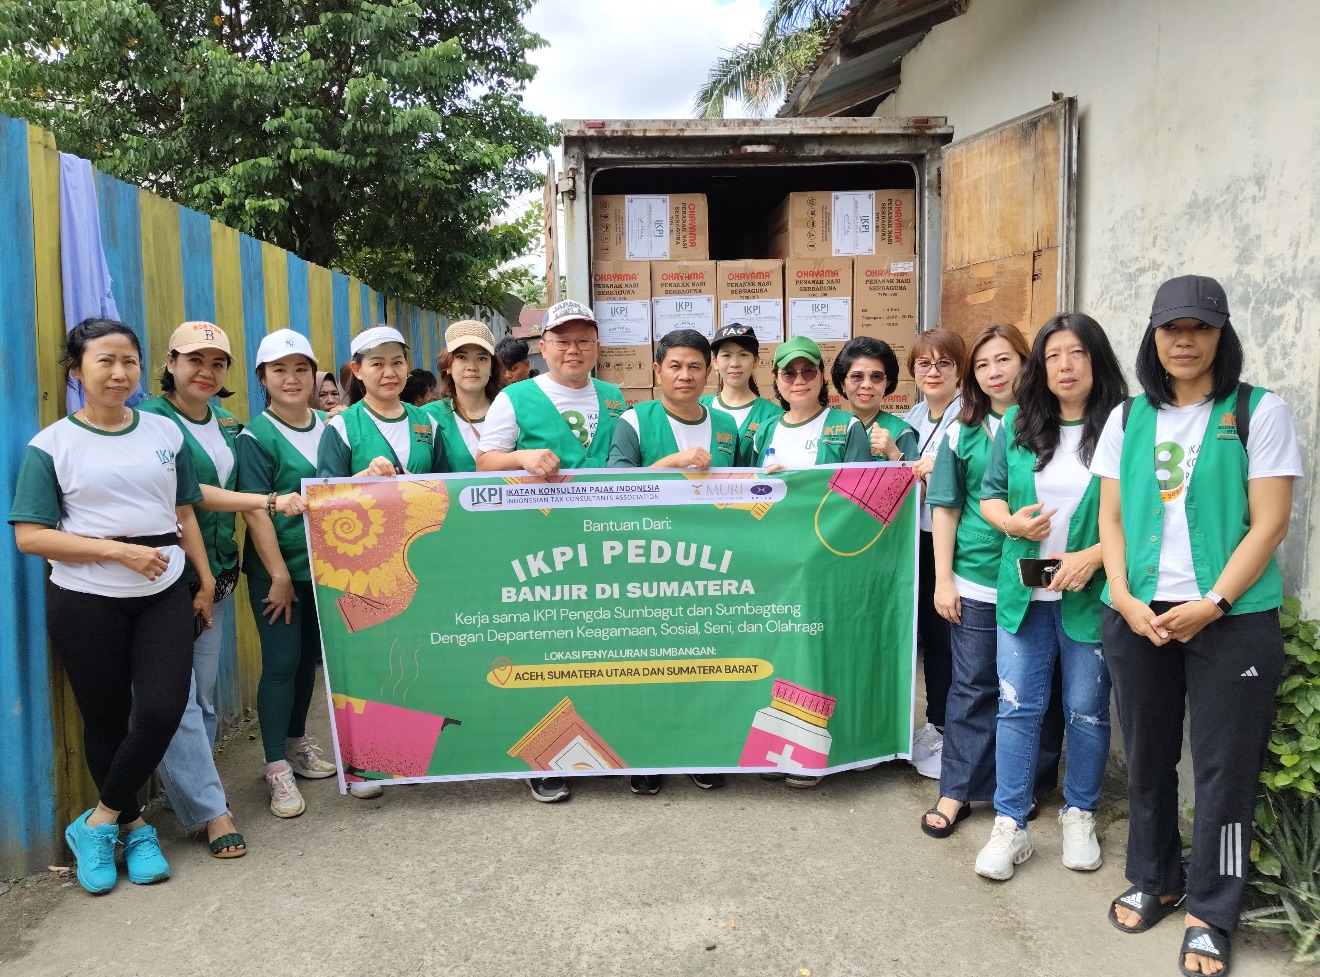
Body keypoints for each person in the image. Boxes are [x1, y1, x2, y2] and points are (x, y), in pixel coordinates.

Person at [1095, 276, 1301, 977]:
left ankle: (1213, 909)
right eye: (1171, 327)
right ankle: (1154, 877)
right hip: (1139, 615)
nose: (1184, 340)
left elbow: (1270, 523)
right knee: (1148, 757)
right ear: (1153, 335)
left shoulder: (1257, 411)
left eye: (1200, 327)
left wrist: (1213, 601)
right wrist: (1123, 596)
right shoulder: (1127, 418)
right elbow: (1111, 518)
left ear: (1222, 334)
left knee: (1226, 772)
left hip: (1230, 619)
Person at [10, 317, 215, 893]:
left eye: (129, 360)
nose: (120, 372)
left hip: (163, 592)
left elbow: (184, 512)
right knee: (104, 718)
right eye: (105, 360)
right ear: (77, 370)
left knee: (161, 710)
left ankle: (96, 823)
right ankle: (134, 827)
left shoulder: (164, 433)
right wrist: (116, 552)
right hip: (85, 598)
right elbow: (30, 536)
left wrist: (203, 580)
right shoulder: (51, 446)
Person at [139, 322, 303, 858]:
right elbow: (191, 494)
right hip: (171, 578)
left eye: (217, 363)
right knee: (181, 699)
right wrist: (266, 501)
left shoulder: (227, 423)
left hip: (220, 574)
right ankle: (211, 809)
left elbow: (254, 487)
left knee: (203, 697)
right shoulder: (150, 421)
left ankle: (190, 791)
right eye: (194, 360)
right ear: (170, 363)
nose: (206, 372)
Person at [973, 313, 1128, 881]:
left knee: (1086, 710)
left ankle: (1079, 812)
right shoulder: (1020, 423)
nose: (1065, 366)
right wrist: (1011, 523)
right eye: (1054, 355)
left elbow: (1147, 512)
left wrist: (1095, 557)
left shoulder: (1124, 425)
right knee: (1017, 706)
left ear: (1097, 360)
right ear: (1040, 366)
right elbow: (989, 496)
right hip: (1026, 592)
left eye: (1077, 353)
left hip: (1091, 592)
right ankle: (1010, 823)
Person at [477, 299, 627, 802]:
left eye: (583, 340)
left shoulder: (613, 397)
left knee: (604, 648)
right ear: (544, 347)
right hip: (540, 550)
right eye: (562, 341)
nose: (573, 350)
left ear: (597, 347)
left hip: (604, 546)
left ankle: (610, 744)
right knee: (545, 651)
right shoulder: (516, 397)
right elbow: (483, 462)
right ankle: (544, 761)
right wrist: (520, 456)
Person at [920, 324, 1063, 839]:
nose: (993, 373)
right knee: (973, 684)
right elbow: (945, 507)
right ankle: (956, 789)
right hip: (978, 575)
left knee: (1037, 686)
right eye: (981, 365)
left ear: (1026, 363)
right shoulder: (962, 430)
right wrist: (943, 580)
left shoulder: (1053, 423)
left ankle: (1025, 785)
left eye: (1004, 360)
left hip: (1041, 574)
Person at [608, 329, 743, 795]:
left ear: (709, 372)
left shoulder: (726, 426)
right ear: (657, 371)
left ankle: (700, 750)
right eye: (675, 366)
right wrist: (672, 462)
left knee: (704, 661)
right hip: (647, 562)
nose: (685, 375)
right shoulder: (634, 421)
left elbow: (746, 486)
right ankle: (644, 755)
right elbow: (613, 487)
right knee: (645, 663)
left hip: (709, 564)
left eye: (695, 367)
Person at [237, 329, 362, 814]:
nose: (291, 379)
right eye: (279, 370)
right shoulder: (256, 436)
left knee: (309, 659)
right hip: (281, 570)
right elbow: (255, 511)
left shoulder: (331, 425)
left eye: (301, 369)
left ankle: (295, 743)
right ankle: (275, 767)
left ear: (314, 375)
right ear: (262, 378)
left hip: (328, 568)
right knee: (281, 663)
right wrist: (279, 576)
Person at [317, 326, 447, 479]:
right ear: (357, 370)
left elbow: (446, 487)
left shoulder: (427, 422)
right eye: (377, 364)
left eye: (397, 362)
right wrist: (365, 476)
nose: (390, 373)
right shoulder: (341, 427)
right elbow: (325, 492)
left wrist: (418, 486)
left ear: (407, 364)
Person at [752, 335, 872, 473]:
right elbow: (753, 482)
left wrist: (791, 480)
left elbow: (860, 483)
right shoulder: (764, 431)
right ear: (776, 380)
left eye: (808, 371)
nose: (799, 381)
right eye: (789, 374)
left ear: (822, 376)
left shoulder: (848, 426)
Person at [424, 320, 503, 472]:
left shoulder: (510, 410)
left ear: (492, 367)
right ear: (448, 366)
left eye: (481, 358)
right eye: (461, 357)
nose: (472, 367)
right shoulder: (428, 416)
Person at [831, 336, 920, 462]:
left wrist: (894, 453)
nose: (867, 385)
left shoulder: (900, 432)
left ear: (887, 384)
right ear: (842, 384)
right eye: (857, 376)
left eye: (876, 377)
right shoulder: (829, 429)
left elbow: (914, 474)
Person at [700, 323, 783, 454]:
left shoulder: (773, 415)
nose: (735, 364)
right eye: (726, 355)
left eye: (743, 355)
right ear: (715, 361)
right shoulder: (700, 407)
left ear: (755, 361)